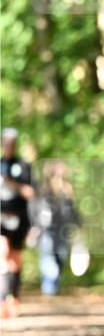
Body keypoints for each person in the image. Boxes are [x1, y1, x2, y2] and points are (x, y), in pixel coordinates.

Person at [29, 159, 80, 295]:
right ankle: (48, 288)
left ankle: (53, 287)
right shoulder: (43, 188)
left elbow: (72, 210)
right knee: (47, 257)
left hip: (63, 230)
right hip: (46, 229)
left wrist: (78, 224)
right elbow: (34, 206)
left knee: (60, 258)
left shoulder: (67, 189)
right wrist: (34, 226)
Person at [1, 127, 36, 317]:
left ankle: (13, 297)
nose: (8, 146)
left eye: (11, 142)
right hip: (1, 219)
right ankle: (2, 300)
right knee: (3, 254)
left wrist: (11, 184)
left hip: (19, 219)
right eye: (5, 142)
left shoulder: (22, 167)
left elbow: (31, 193)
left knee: (14, 260)